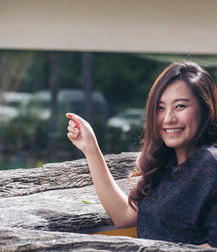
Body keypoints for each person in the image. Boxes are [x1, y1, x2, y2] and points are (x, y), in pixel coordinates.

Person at [66, 61, 217, 247]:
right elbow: (124, 216)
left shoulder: (209, 164)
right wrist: (90, 148)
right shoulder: (167, 166)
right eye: (160, 108)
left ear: (205, 109)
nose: (169, 118)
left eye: (180, 106)